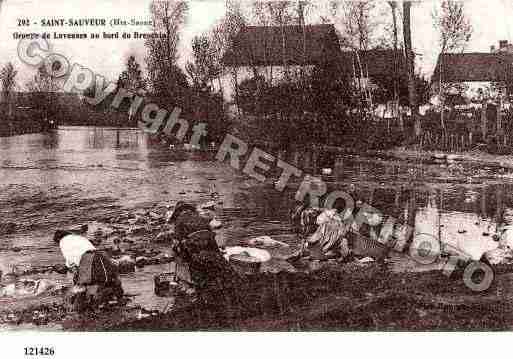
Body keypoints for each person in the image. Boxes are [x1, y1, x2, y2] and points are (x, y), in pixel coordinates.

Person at [168, 202, 240, 307]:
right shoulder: (201, 219)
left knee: (199, 274)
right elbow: (211, 237)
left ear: (178, 212)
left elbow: (178, 242)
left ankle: (203, 299)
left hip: (196, 252)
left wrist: (180, 256)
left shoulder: (179, 221)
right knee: (221, 271)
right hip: (211, 249)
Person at [53, 230, 123, 311]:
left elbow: (69, 260)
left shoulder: (63, 241)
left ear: (58, 239)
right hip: (100, 255)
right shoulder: (78, 237)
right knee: (109, 278)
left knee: (83, 285)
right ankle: (118, 299)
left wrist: (70, 268)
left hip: (87, 259)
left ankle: (82, 307)